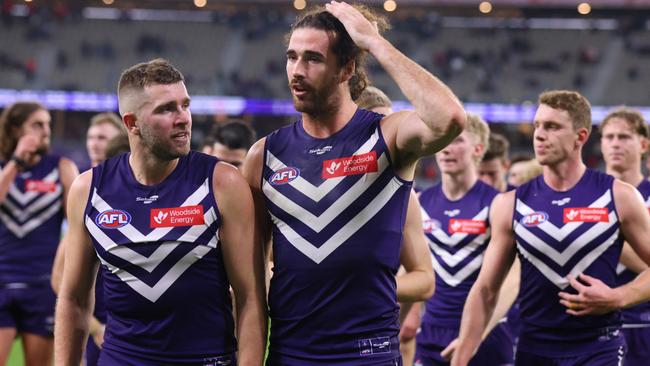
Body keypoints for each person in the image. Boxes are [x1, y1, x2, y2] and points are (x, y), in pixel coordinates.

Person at [242, 2, 464, 364]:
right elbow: (250, 283)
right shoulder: (263, 155)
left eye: (312, 59)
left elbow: (449, 118)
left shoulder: (387, 137)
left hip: (367, 354)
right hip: (290, 353)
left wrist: (374, 43)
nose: (297, 71)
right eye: (291, 57)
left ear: (346, 68)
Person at [54, 58, 267, 365]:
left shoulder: (222, 183)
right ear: (132, 123)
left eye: (185, 105)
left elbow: (250, 299)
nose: (184, 118)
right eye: (167, 109)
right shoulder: (88, 190)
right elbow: (73, 299)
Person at [451, 90, 650, 366]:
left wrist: (618, 297)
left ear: (580, 137)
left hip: (599, 346)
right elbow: (486, 290)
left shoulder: (620, 196)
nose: (540, 135)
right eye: (537, 126)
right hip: (535, 350)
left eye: (552, 127)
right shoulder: (510, 204)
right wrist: (461, 356)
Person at [411, 114, 513, 366]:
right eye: (443, 140)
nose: (446, 148)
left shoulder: (498, 203)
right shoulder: (420, 203)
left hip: (486, 333)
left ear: (478, 149)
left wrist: (474, 336)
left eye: (457, 141)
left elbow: (512, 280)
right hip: (432, 331)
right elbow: (411, 268)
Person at [356, 85, 431, 366]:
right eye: (375, 128)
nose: (387, 140)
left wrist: (367, 286)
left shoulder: (403, 197)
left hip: (373, 343)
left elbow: (425, 280)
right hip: (304, 341)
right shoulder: (305, 186)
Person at [0, 102, 78, 366]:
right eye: (37, 125)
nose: (46, 131)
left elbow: (77, 226)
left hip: (42, 285)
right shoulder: (3, 167)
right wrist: (15, 164)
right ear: (15, 129)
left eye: (48, 124)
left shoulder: (62, 167)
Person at [52, 112, 127, 366]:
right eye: (91, 137)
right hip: (102, 327)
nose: (95, 144)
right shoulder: (84, 194)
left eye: (102, 138)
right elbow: (60, 276)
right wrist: (94, 327)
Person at [600, 107, 650, 366]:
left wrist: (598, 237)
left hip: (645, 322)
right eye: (609, 137)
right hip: (593, 324)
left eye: (624, 137)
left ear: (643, 144)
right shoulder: (586, 195)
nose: (615, 144)